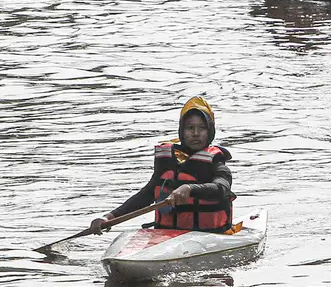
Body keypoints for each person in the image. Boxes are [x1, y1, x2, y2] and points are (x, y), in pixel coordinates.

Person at [90, 97, 235, 235]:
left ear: (210, 131)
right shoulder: (167, 160)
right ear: (182, 132)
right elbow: (146, 194)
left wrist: (190, 189)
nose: (196, 133)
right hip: (165, 235)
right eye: (190, 128)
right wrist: (109, 217)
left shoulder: (216, 161)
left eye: (202, 128)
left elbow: (222, 188)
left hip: (209, 234)